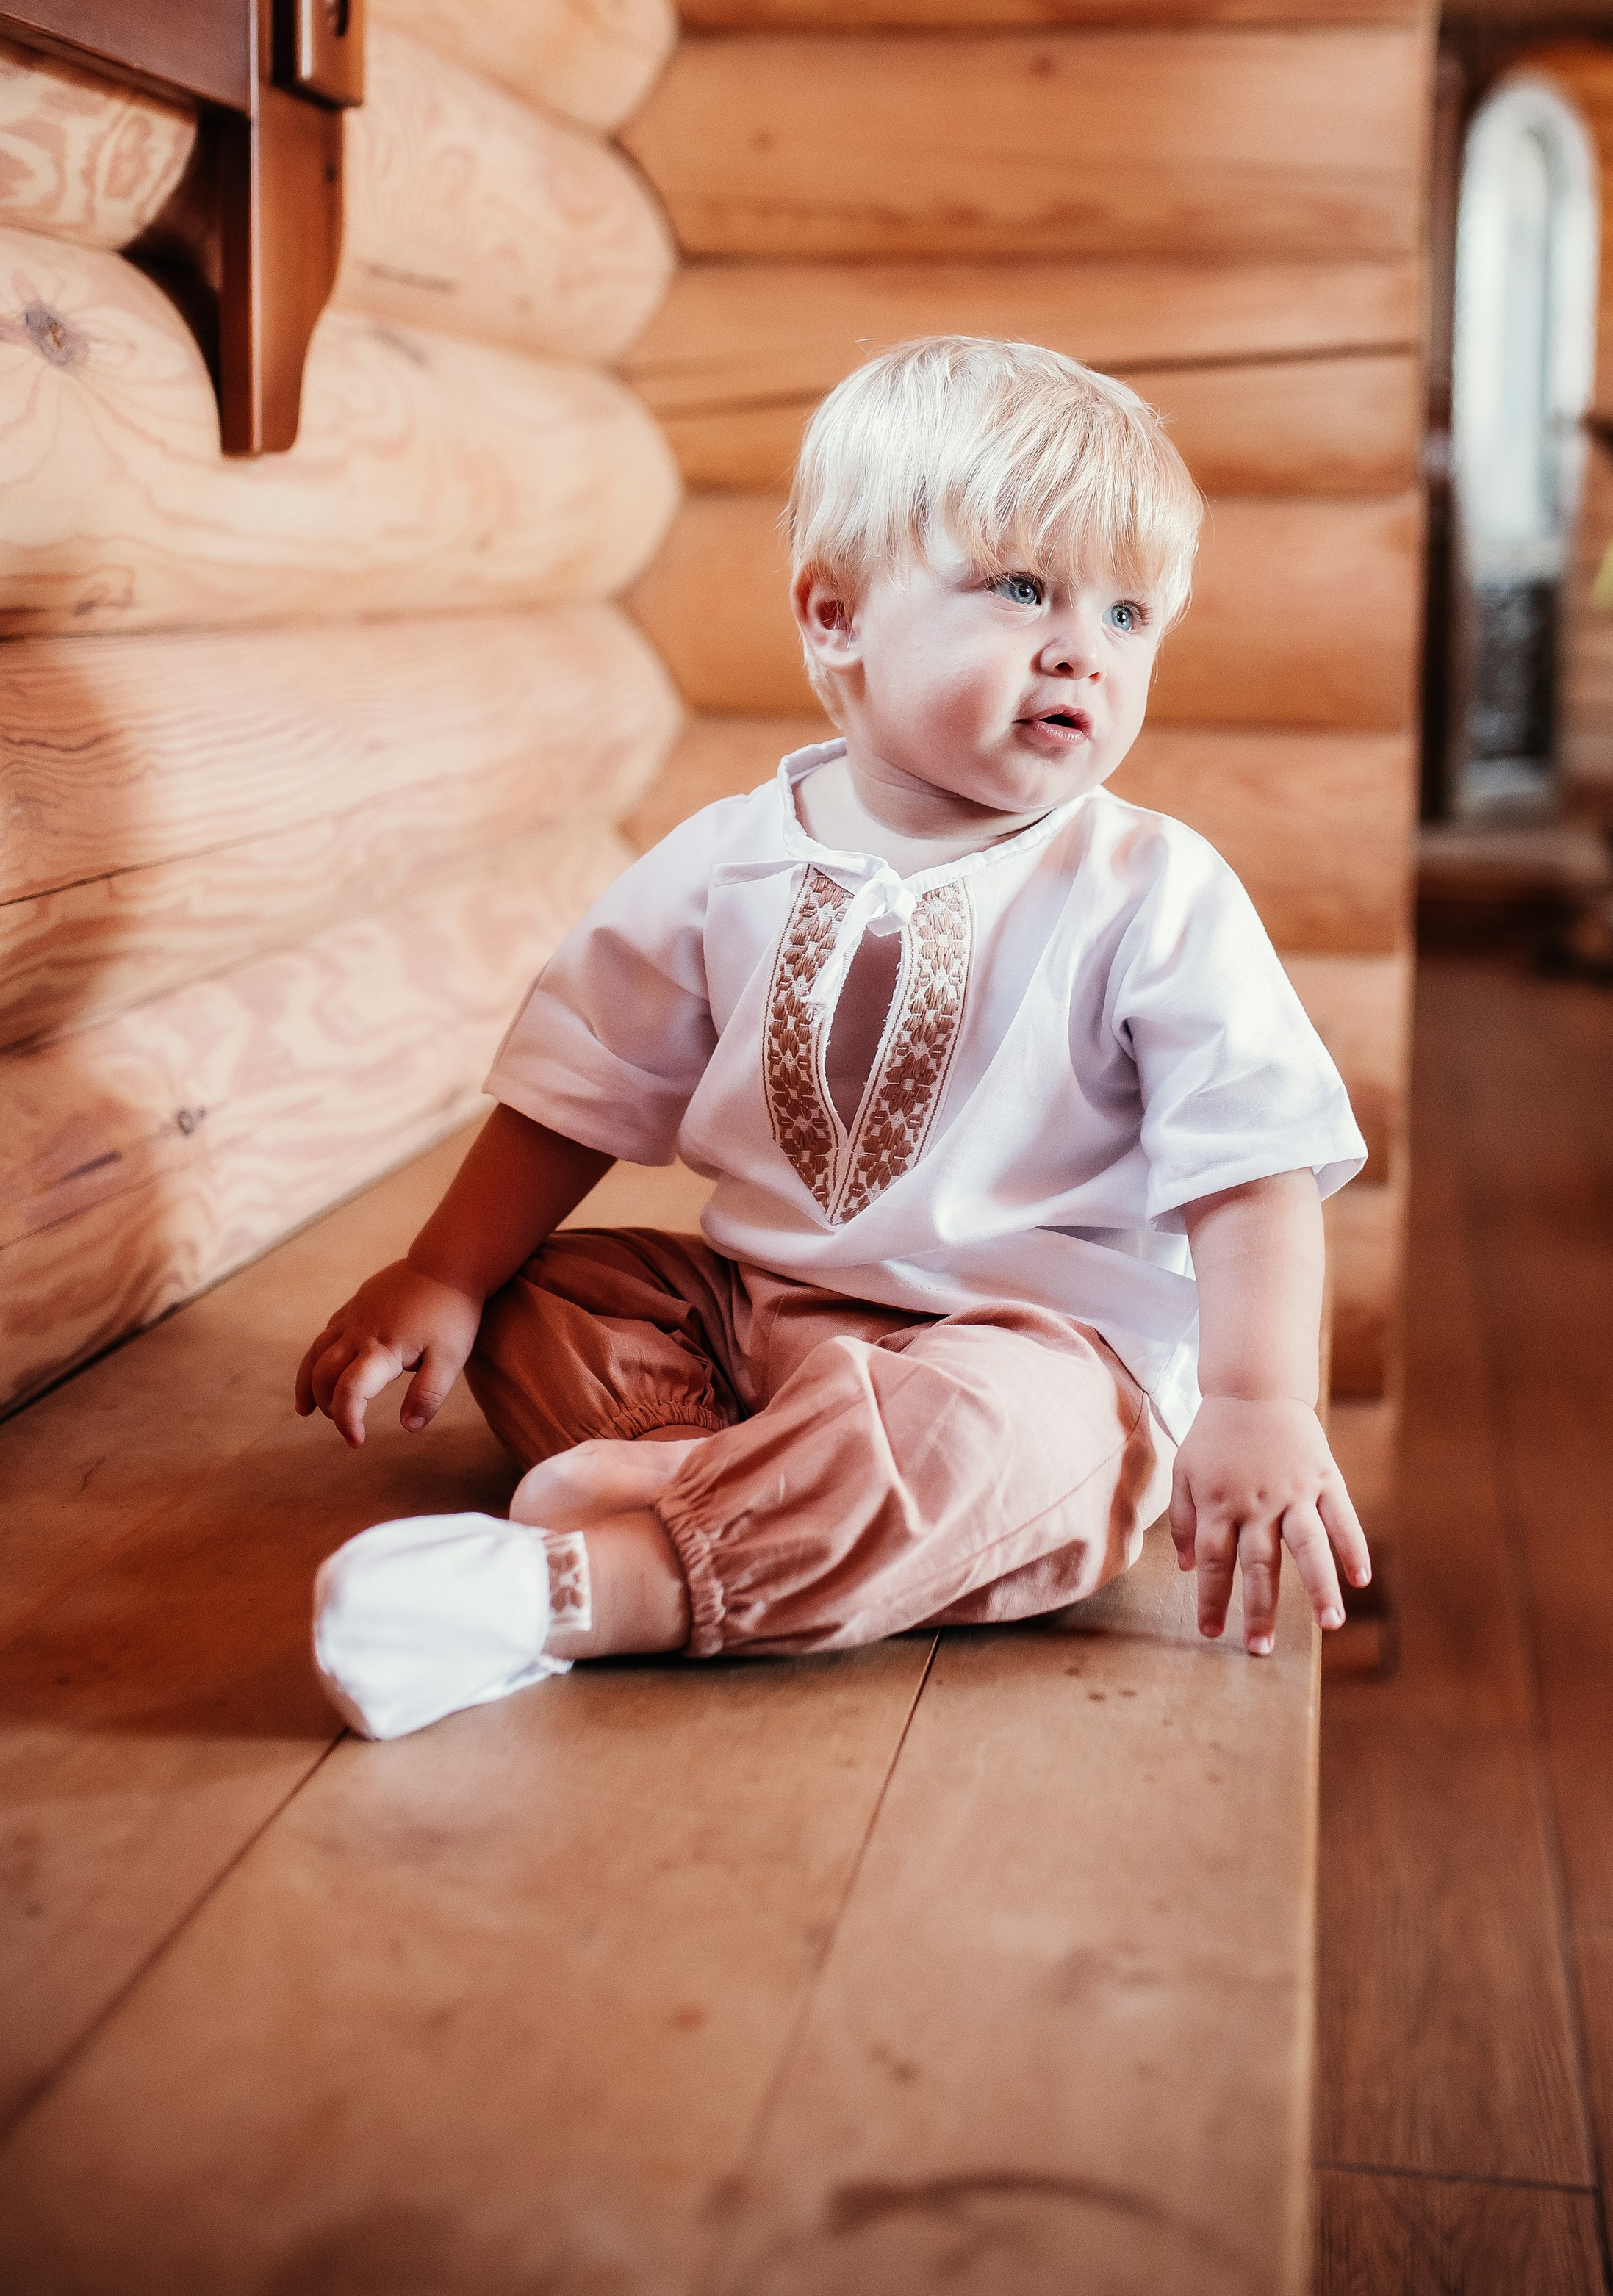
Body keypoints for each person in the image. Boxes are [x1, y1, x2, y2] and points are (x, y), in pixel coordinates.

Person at [299, 337, 1370, 1741]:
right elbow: (582, 1082)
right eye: (1022, 589)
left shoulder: (1151, 890)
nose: (1079, 651)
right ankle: (746, 1490)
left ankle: (592, 1586)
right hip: (756, 1323)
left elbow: (1254, 1168)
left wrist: (1255, 1400)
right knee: (535, 1303)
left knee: (1013, 1450)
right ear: (836, 616)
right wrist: (442, 1271)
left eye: (1129, 617)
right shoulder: (730, 860)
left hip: (1032, 1353)